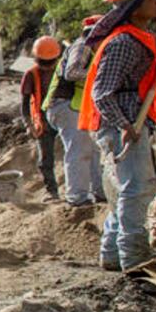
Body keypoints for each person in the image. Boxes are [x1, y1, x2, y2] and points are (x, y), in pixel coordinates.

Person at [78, 0, 156, 271]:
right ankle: (135, 258)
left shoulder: (136, 39)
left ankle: (113, 256)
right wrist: (125, 125)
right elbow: (103, 92)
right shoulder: (123, 42)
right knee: (137, 188)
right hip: (122, 125)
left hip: (124, 123)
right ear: (134, 4)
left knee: (122, 190)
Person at [42, 16, 106, 206]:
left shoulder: (89, 47)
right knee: (79, 149)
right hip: (65, 104)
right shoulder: (83, 45)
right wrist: (101, 75)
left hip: (74, 106)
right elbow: (72, 73)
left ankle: (100, 191)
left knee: (92, 149)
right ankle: (77, 197)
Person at [21, 36, 62, 200]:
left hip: (63, 117)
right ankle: (51, 190)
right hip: (43, 122)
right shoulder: (31, 74)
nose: (47, 66)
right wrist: (28, 124)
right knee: (46, 159)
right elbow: (24, 103)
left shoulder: (62, 70)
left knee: (76, 154)